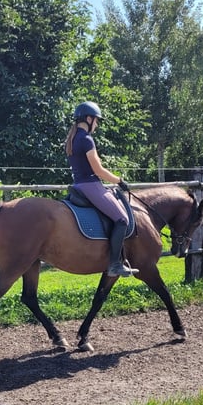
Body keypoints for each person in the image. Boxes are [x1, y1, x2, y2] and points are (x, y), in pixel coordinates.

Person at [64, 101, 138, 277]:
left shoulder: (73, 139)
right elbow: (97, 170)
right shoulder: (86, 139)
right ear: (88, 119)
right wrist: (119, 181)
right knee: (121, 219)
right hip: (90, 185)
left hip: (78, 185)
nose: (96, 125)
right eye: (96, 121)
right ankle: (114, 264)